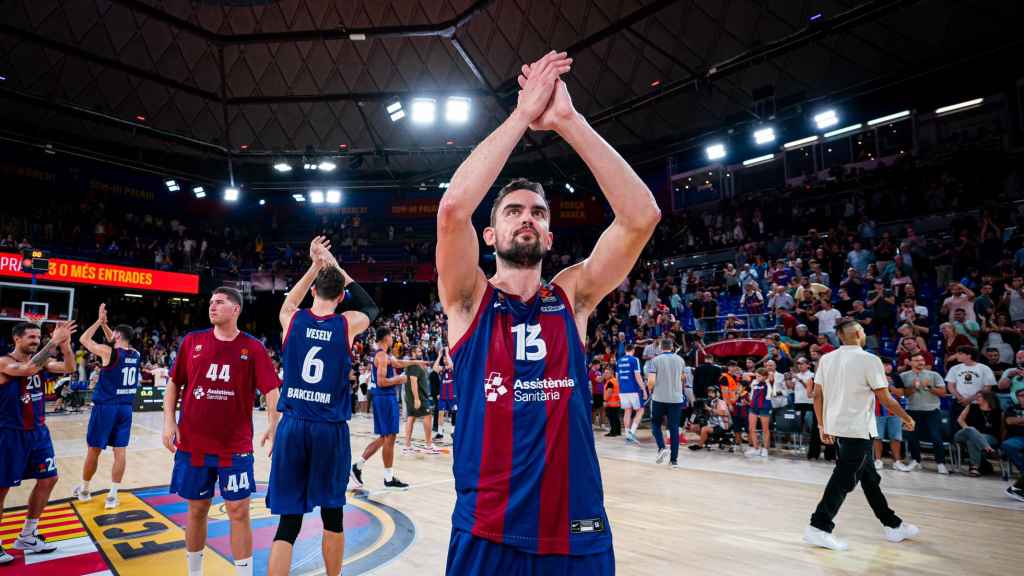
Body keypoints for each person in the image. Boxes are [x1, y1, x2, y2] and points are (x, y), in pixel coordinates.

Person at [436, 50, 659, 574]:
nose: (527, 219)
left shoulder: (572, 297)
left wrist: (567, 121)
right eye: (513, 211)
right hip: (487, 527)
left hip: (575, 526)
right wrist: (521, 115)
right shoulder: (469, 300)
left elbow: (641, 216)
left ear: (550, 235)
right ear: (490, 236)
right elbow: (452, 210)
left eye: (538, 212)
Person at [266, 237, 376, 576]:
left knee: (288, 523)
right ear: (341, 297)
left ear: (314, 291)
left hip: (293, 425)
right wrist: (334, 265)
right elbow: (370, 307)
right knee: (333, 516)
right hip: (329, 430)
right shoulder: (347, 324)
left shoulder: (292, 319)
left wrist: (314, 265)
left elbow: (290, 300)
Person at [161, 287, 281, 576]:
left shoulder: (252, 347)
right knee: (196, 510)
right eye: (211, 302)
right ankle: (195, 572)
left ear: (236, 309)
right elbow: (174, 383)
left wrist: (274, 424)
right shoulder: (192, 342)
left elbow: (271, 389)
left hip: (234, 447)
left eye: (220, 302)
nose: (212, 306)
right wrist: (169, 421)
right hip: (193, 445)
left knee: (238, 511)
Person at [804, 318, 919, 551]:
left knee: (869, 478)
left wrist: (821, 426)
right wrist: (906, 417)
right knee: (844, 478)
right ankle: (818, 527)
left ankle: (892, 525)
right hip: (856, 428)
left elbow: (817, 396)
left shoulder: (827, 359)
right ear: (857, 333)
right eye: (863, 330)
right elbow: (885, 398)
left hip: (838, 427)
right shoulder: (869, 359)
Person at [0, 321, 77, 565]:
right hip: (10, 433)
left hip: (38, 432)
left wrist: (64, 346)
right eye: (31, 337)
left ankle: (27, 535)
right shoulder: (3, 362)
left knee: (49, 478)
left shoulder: (40, 362)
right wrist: (53, 341)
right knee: (2, 488)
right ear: (16, 338)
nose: (35, 340)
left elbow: (68, 367)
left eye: (38, 337)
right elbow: (27, 369)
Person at [74, 304, 141, 509]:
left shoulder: (107, 352)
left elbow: (84, 339)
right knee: (120, 452)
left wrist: (97, 322)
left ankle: (84, 490)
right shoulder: (136, 354)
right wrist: (105, 324)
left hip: (106, 407)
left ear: (118, 336)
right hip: (125, 408)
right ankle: (112, 495)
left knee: (94, 450)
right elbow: (115, 339)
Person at [350, 328, 428, 491]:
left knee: (385, 437)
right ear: (386, 338)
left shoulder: (383, 355)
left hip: (384, 399)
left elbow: (399, 363)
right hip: (384, 398)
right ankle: (387, 478)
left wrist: (416, 362)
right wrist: (399, 379)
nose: (393, 339)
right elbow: (382, 382)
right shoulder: (382, 356)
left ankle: (358, 466)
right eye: (391, 336)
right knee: (389, 437)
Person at [897, 352, 949, 474]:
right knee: (912, 436)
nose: (920, 362)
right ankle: (916, 461)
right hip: (912, 410)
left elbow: (943, 393)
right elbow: (902, 394)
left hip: (932, 411)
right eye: (916, 360)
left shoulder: (934, 374)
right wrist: (913, 388)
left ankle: (940, 463)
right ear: (910, 362)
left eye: (922, 360)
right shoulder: (904, 376)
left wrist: (929, 387)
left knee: (935, 436)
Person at [645, 338, 687, 468]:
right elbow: (682, 378)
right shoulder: (680, 360)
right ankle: (674, 461)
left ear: (660, 348)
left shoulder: (655, 360)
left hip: (659, 398)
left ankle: (662, 447)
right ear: (672, 347)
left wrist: (649, 389)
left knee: (655, 424)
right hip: (676, 399)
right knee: (673, 428)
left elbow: (651, 381)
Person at [953, 390, 1001, 477]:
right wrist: (971, 431)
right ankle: (988, 448)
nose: (976, 398)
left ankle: (974, 468)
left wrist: (975, 435)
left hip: (989, 436)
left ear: (987, 399)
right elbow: (960, 420)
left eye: (979, 397)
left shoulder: (997, 411)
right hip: (964, 434)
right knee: (971, 430)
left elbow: (1001, 428)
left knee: (971, 441)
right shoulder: (972, 406)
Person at [403, 347, 438, 454]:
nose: (421, 353)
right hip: (419, 396)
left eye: (420, 351)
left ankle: (407, 446)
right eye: (418, 351)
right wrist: (417, 399)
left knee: (411, 418)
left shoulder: (412, 364)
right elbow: (413, 382)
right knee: (427, 416)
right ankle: (428, 445)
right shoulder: (414, 364)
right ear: (413, 353)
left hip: (412, 396)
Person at [873, 361, 905, 470]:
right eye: (884, 364)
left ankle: (897, 462)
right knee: (878, 437)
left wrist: (890, 385)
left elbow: (901, 393)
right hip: (878, 411)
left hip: (895, 412)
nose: (887, 367)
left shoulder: (896, 376)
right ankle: (877, 460)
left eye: (889, 364)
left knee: (896, 437)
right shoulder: (873, 376)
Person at [616, 345, 645, 444]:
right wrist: (643, 389)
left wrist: (620, 389)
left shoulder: (619, 361)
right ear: (633, 350)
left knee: (627, 411)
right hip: (633, 389)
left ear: (625, 350)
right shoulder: (634, 359)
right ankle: (632, 433)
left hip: (622, 390)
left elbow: (617, 377)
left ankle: (627, 435)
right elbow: (637, 375)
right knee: (640, 410)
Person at [688, 386, 731, 450]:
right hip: (713, 424)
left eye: (712, 393)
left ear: (717, 393)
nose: (710, 394)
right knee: (693, 427)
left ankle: (699, 445)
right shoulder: (709, 401)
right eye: (709, 393)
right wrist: (692, 420)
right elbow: (697, 413)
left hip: (722, 425)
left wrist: (709, 409)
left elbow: (723, 412)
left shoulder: (721, 402)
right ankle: (706, 439)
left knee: (704, 429)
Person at [1001, 388, 1024, 501]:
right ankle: (1016, 488)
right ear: (1017, 397)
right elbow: (1010, 421)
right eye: (1021, 395)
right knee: (1008, 445)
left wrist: (1019, 420)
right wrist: (1017, 420)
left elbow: (1015, 421)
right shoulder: (1012, 408)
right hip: (1017, 437)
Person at [745, 368, 773, 457]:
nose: (757, 377)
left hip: (764, 407)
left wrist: (767, 377)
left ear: (765, 376)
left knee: (765, 429)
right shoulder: (754, 382)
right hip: (753, 407)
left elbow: (771, 376)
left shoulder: (768, 383)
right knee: (751, 428)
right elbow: (752, 394)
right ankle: (756, 448)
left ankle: (765, 449)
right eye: (756, 376)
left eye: (759, 376)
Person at [432, 347, 457, 444]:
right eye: (444, 359)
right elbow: (434, 368)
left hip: (452, 395)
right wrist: (439, 356)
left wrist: (447, 353)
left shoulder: (452, 368)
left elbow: (451, 364)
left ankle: (453, 432)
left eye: (446, 358)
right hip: (443, 395)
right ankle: (440, 433)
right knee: (440, 413)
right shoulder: (442, 369)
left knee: (454, 413)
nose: (445, 359)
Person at [603, 366, 621, 437]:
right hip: (616, 403)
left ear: (611, 373)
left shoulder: (610, 382)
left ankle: (613, 432)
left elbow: (609, 392)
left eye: (607, 373)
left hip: (611, 403)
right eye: (605, 373)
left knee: (612, 418)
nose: (605, 374)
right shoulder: (615, 380)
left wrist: (605, 401)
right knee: (616, 418)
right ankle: (618, 431)